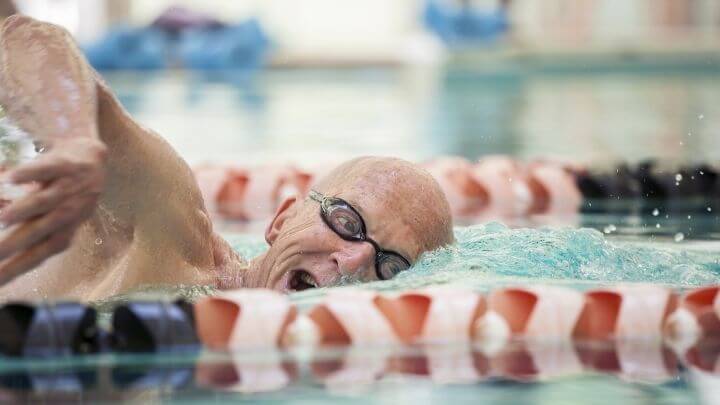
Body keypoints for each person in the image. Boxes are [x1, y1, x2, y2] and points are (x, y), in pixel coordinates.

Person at [0, 16, 454, 301]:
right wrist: (74, 133)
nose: (355, 262)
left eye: (391, 266)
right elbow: (20, 40)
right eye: (347, 221)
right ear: (280, 221)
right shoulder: (171, 226)